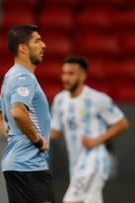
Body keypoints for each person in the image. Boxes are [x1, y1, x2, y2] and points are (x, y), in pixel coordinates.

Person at [50, 55, 129, 203]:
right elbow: (55, 132)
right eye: (64, 73)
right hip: (75, 164)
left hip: (94, 160)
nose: (65, 78)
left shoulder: (97, 98)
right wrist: (31, 129)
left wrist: (95, 140)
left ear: (83, 76)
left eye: (71, 73)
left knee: (71, 201)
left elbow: (122, 123)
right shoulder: (59, 100)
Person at [0, 24, 54, 203]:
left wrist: (13, 139)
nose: (44, 45)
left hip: (21, 165)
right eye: (37, 41)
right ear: (23, 48)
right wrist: (37, 140)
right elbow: (18, 112)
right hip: (29, 166)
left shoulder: (11, 76)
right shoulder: (23, 78)